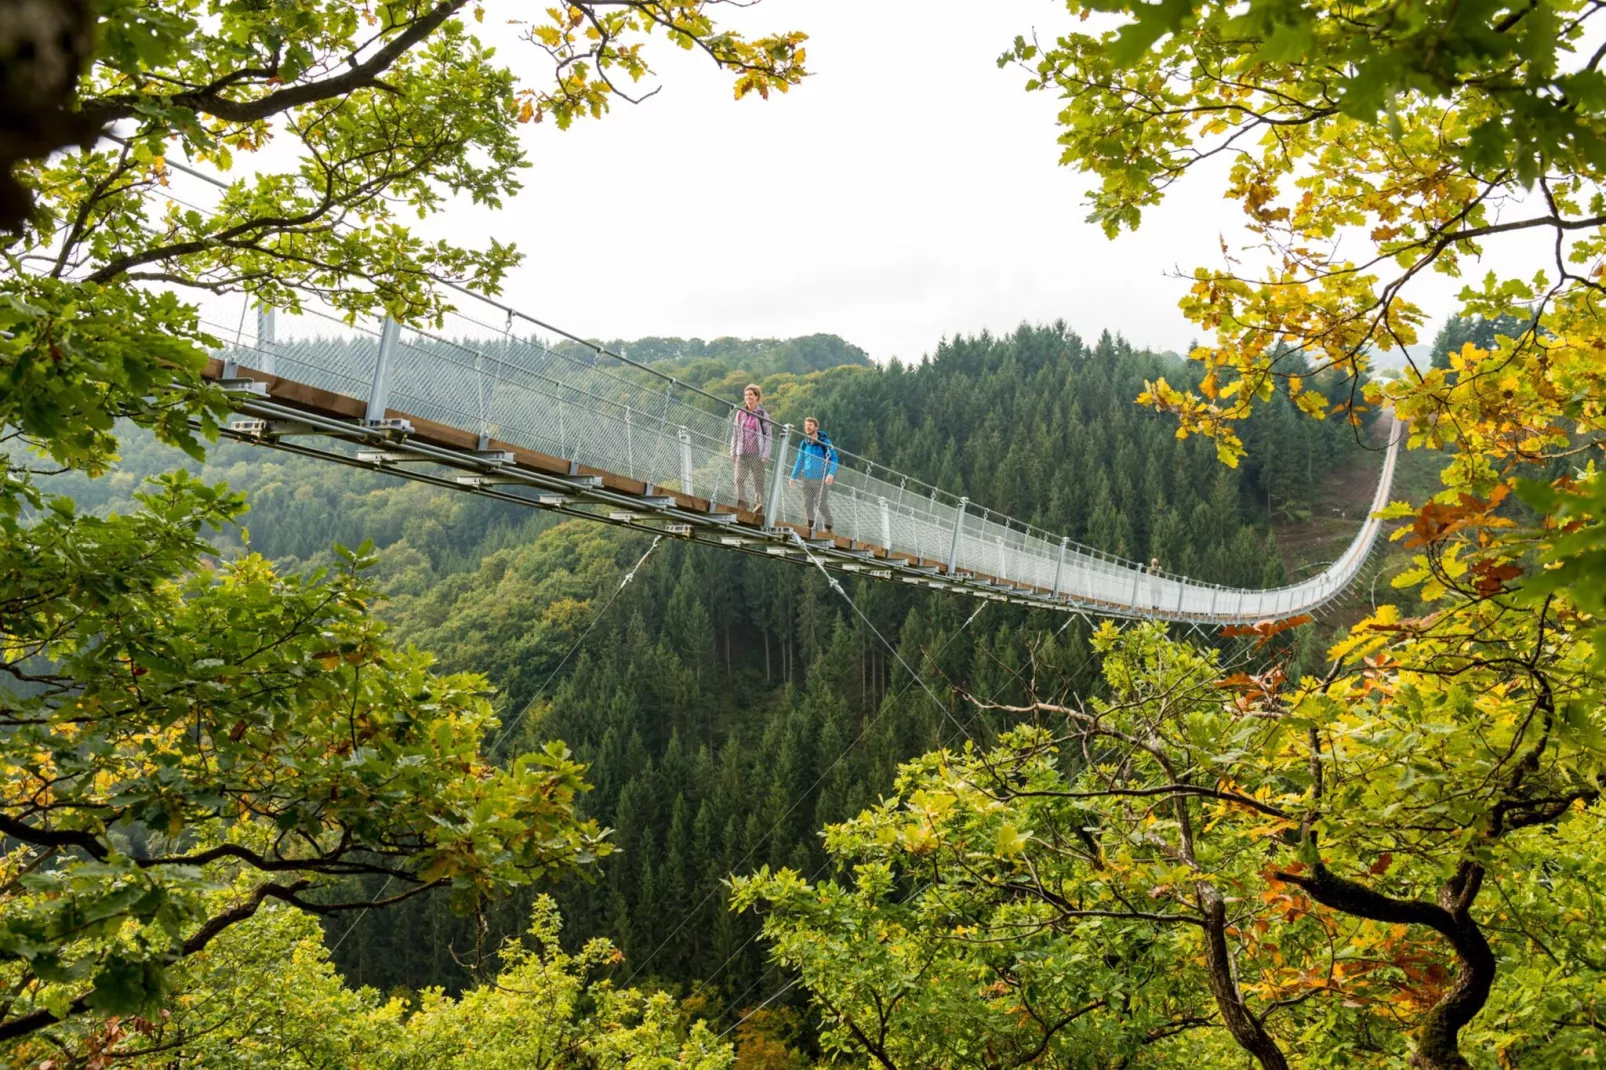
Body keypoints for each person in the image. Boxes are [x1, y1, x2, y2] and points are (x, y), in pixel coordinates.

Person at [788, 415, 837, 535]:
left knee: (820, 504)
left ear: (816, 427)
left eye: (810, 425)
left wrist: (831, 474)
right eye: (806, 425)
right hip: (807, 478)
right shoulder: (804, 443)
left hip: (821, 479)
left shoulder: (824, 442)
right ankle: (810, 526)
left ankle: (828, 523)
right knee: (807, 503)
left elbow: (834, 459)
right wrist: (793, 476)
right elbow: (800, 460)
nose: (807, 427)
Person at [729, 383, 772, 513]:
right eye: (746, 395)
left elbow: (768, 436)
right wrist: (733, 451)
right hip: (742, 453)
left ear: (757, 397)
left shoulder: (762, 414)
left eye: (751, 395)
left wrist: (765, 454)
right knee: (738, 479)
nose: (748, 397)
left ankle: (758, 507)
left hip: (757, 454)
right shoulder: (740, 413)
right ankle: (742, 503)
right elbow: (735, 433)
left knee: (758, 482)